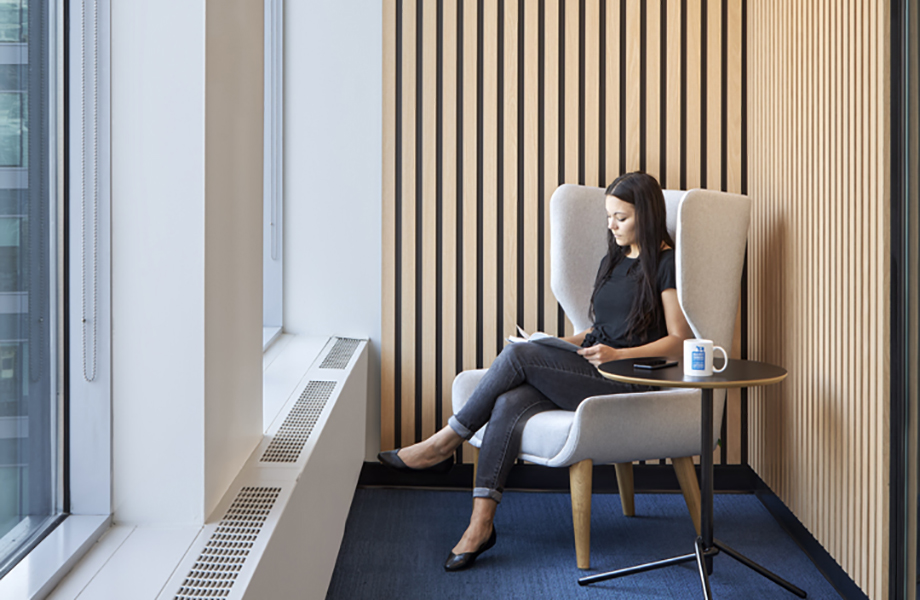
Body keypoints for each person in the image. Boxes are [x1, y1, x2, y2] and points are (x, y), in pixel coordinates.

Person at [378, 171, 694, 571]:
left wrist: (614, 355)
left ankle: (444, 443)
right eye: (608, 216)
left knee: (517, 358)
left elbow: (679, 340)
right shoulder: (613, 258)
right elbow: (598, 331)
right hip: (594, 369)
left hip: (626, 381)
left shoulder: (665, 263)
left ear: (645, 216)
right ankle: (480, 525)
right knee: (511, 397)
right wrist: (562, 345)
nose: (611, 226)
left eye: (621, 218)